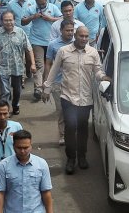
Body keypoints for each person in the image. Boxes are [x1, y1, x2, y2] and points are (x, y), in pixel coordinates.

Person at [42, 26, 111, 174]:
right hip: (68, 97)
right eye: (81, 36)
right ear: (75, 35)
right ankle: (71, 159)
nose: (84, 39)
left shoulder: (92, 52)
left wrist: (103, 77)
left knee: (82, 129)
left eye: (86, 36)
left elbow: (97, 71)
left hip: (85, 99)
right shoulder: (63, 51)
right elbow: (54, 70)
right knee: (70, 127)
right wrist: (46, 89)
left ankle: (82, 157)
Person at [0, 130, 54, 213]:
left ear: (31, 146)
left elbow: (46, 192)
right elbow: (0, 193)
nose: (22, 151)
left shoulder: (41, 164)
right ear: (13, 146)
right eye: (19, 148)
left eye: (25, 148)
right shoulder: (4, 165)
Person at [0, 11, 36, 114]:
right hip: (2, 67)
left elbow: (29, 49)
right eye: (6, 20)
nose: (8, 22)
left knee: (17, 90)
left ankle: (15, 105)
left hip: (18, 66)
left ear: (14, 20)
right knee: (5, 92)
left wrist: (32, 64)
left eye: (10, 20)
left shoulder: (21, 32)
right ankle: (6, 111)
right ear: (2, 21)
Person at [22, 0, 62, 101]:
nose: (42, 5)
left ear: (46, 0)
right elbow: (23, 21)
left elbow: (61, 18)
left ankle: (45, 86)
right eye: (40, 4)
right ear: (36, 2)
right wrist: (33, 17)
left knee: (49, 65)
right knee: (39, 64)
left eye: (44, 3)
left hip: (51, 42)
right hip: (37, 41)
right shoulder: (31, 8)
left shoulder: (53, 8)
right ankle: (38, 88)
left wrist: (50, 19)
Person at [44, 20, 75, 146]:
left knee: (74, 109)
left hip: (74, 83)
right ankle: (62, 135)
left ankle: (72, 133)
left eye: (72, 30)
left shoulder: (77, 43)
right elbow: (48, 64)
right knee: (61, 110)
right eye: (67, 30)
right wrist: (46, 84)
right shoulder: (53, 45)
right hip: (58, 83)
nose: (70, 33)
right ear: (61, 31)